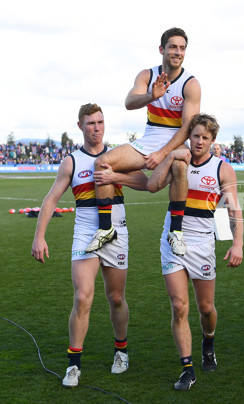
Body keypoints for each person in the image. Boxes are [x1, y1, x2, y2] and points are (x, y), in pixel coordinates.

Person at [31, 104, 148, 387]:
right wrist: (39, 236)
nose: (97, 128)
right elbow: (51, 199)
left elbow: (146, 183)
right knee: (83, 297)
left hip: (117, 231)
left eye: (100, 122)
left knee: (116, 298)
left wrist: (114, 177)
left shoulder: (117, 156)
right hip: (85, 232)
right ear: (80, 126)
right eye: (91, 123)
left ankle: (121, 351)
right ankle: (74, 364)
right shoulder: (71, 161)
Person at [147, 113, 243, 391]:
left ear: (213, 141)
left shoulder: (222, 168)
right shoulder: (180, 161)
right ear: (188, 136)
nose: (199, 141)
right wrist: (169, 157)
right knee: (179, 307)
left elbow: (235, 209)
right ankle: (187, 369)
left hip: (203, 243)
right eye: (195, 135)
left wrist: (237, 244)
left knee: (206, 308)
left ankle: (208, 341)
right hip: (173, 239)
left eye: (205, 137)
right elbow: (153, 185)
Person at [86, 27, 201, 257]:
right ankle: (106, 228)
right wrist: (152, 96)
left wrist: (163, 154)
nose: (178, 52)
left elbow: (188, 128)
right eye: (173, 47)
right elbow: (129, 102)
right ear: (162, 49)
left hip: (176, 141)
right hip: (150, 138)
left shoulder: (190, 84)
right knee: (102, 163)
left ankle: (176, 232)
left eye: (182, 48)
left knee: (179, 165)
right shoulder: (147, 75)